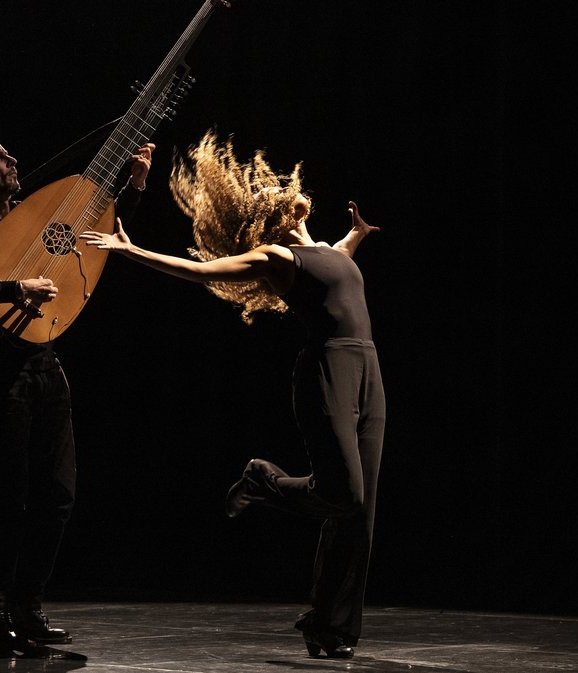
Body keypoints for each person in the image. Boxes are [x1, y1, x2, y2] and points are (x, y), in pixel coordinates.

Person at [80, 130, 385, 659]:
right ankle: (263, 479)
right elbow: (198, 271)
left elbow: (338, 260)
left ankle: (332, 625)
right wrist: (132, 251)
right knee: (346, 494)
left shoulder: (324, 250)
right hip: (329, 367)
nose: (282, 193)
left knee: (360, 511)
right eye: (271, 199)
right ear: (270, 220)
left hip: (369, 369)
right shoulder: (277, 258)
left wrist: (357, 235)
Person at [0, 136, 154, 657]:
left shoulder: (33, 219)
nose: (13, 162)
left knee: (58, 494)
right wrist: (14, 290)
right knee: (9, 497)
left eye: (12, 155)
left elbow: (94, 239)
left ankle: (26, 609)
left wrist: (134, 187)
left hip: (46, 365)